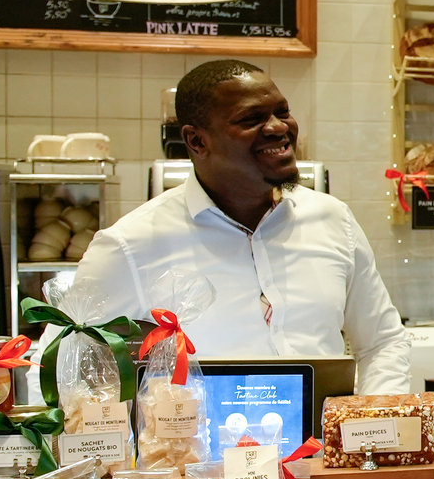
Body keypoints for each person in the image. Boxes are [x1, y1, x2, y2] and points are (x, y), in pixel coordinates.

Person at [65, 59, 412, 394]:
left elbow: (381, 341)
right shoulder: (130, 245)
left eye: (283, 112)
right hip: (197, 437)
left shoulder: (334, 220)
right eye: (251, 119)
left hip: (323, 437)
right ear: (196, 141)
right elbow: (64, 364)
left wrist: (375, 421)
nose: (279, 127)